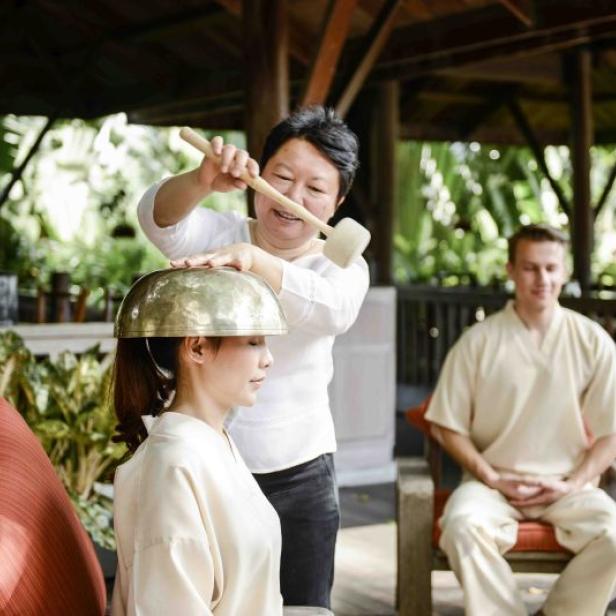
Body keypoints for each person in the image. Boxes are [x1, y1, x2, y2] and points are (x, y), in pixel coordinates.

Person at [137, 106, 369, 608]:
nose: (293, 198)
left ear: (337, 204)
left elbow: (332, 310)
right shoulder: (223, 232)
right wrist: (200, 180)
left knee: (303, 607)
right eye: (282, 178)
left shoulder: (341, 267)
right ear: (258, 176)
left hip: (300, 470)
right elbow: (157, 221)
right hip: (205, 460)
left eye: (315, 188)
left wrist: (256, 262)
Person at [425, 223, 616, 616]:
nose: (542, 279)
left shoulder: (592, 340)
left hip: (567, 486)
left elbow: (611, 432)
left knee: (614, 534)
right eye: (530, 268)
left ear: (564, 271)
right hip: (491, 485)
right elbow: (446, 424)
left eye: (551, 268)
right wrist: (492, 478)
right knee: (461, 526)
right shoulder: (477, 341)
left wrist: (573, 482)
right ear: (511, 270)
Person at [110, 267, 288, 616]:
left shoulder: (212, 440)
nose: (268, 359)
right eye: (253, 342)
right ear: (197, 348)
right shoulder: (172, 465)